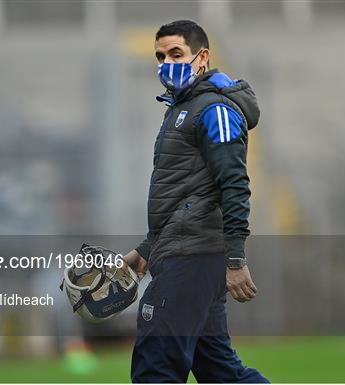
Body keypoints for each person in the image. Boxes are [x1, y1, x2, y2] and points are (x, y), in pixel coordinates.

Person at [122, 20, 270, 383]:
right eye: (160, 56)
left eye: (176, 54)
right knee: (220, 372)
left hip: (194, 256)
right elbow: (183, 193)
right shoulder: (180, 108)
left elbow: (234, 184)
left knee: (154, 366)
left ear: (202, 57)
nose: (166, 63)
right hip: (184, 250)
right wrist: (147, 247)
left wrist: (235, 258)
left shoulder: (214, 111)